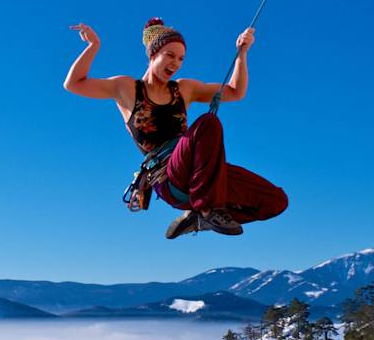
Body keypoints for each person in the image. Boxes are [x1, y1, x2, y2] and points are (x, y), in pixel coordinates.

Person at [63, 18, 288, 238]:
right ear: (153, 54)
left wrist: (242, 53)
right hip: (169, 176)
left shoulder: (183, 89)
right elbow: (74, 83)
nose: (176, 63)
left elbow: (235, 92)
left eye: (181, 58)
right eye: (169, 55)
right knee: (208, 123)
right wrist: (94, 46)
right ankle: (208, 208)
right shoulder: (127, 88)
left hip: (202, 176)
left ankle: (199, 216)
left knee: (276, 201)